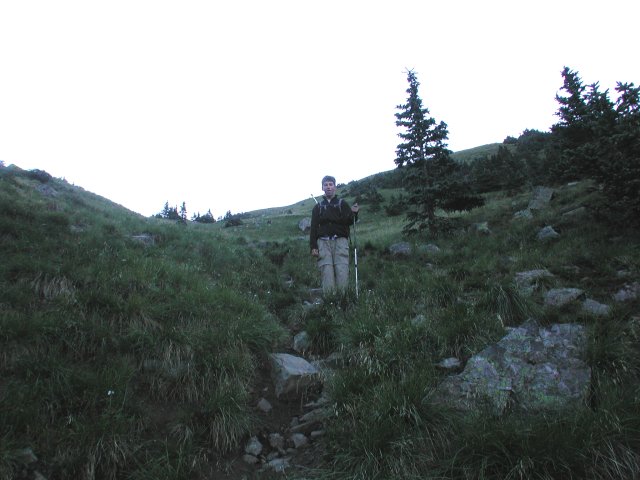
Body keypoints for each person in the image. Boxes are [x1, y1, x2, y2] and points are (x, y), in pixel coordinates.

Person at [310, 175, 359, 294]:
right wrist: (313, 247)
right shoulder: (317, 207)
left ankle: (343, 302)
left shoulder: (343, 204)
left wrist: (354, 214)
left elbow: (350, 221)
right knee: (326, 271)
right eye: (325, 185)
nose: (328, 187)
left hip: (341, 242)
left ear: (335, 187)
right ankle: (330, 302)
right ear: (322, 188)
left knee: (342, 269)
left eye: (330, 184)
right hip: (323, 243)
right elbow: (313, 228)